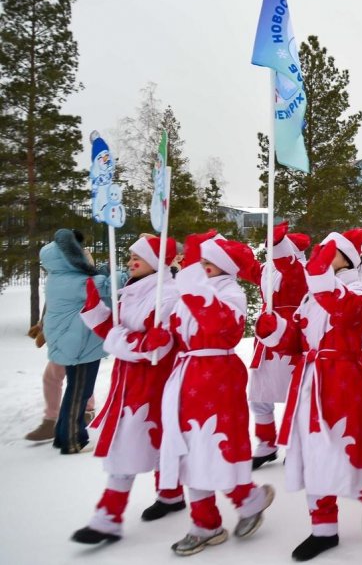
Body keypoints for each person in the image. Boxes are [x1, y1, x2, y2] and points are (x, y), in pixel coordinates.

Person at [254, 230, 362, 562]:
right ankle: (323, 529)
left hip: (343, 380)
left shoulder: (358, 290)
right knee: (312, 453)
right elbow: (297, 343)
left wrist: (317, 277)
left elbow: (345, 313)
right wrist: (275, 331)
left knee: (343, 451)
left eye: (330, 251)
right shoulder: (309, 299)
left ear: (346, 258)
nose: (321, 256)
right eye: (320, 251)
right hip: (308, 382)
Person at [159, 234, 274, 556]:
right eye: (200, 264)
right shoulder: (189, 294)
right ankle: (205, 524)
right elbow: (178, 332)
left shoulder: (230, 292)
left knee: (217, 446)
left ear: (221, 268)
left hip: (218, 376)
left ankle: (247, 500)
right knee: (190, 449)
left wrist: (192, 287)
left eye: (206, 264)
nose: (200, 269)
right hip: (187, 376)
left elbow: (220, 325)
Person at [71, 235, 186, 545]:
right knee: (159, 439)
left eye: (140, 255)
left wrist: (123, 341)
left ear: (158, 261)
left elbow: (154, 348)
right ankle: (171, 494)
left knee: (127, 446)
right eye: (131, 254)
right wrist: (97, 312)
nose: (132, 260)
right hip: (130, 382)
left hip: (152, 384)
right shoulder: (135, 292)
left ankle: (107, 517)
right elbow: (120, 335)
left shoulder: (166, 295)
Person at [38, 228, 118, 454]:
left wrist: (102, 270)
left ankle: (63, 434)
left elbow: (94, 281)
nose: (85, 254)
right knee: (79, 392)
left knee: (75, 390)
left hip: (72, 342)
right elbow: (107, 286)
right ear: (69, 258)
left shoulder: (60, 277)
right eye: (81, 251)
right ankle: (72, 440)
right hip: (79, 346)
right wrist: (116, 272)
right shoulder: (76, 282)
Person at [248, 223, 310, 470]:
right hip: (265, 338)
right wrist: (219, 246)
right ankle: (266, 444)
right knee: (259, 395)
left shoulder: (301, 271)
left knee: (294, 396)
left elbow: (288, 266)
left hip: (290, 337)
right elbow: (248, 267)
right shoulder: (268, 271)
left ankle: (297, 445)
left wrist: (276, 242)